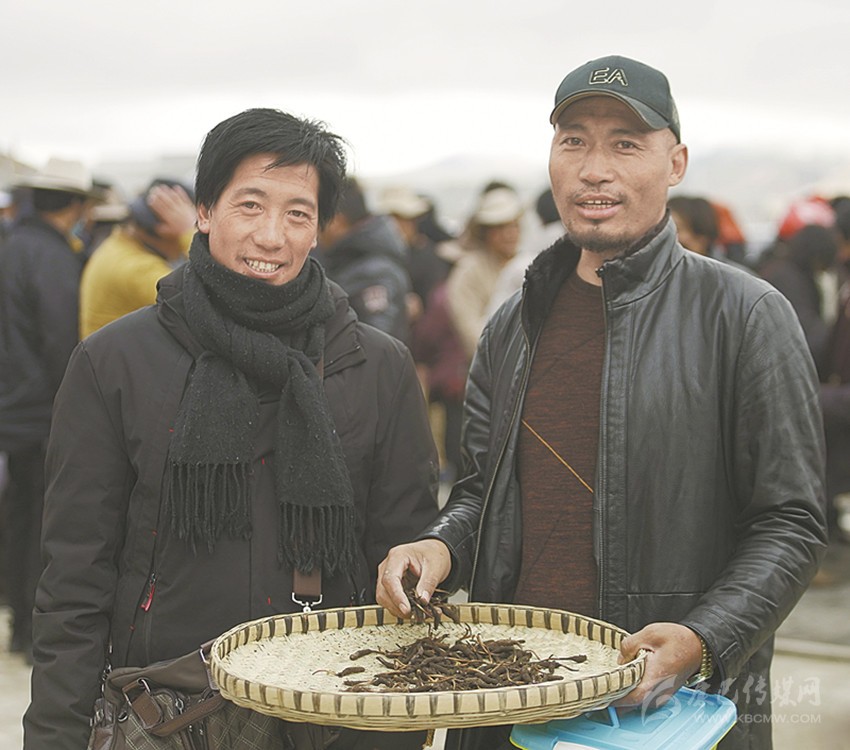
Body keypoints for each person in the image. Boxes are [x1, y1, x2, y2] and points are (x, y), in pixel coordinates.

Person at [376, 55, 828, 750]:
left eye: (625, 144)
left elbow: (791, 521)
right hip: (512, 699)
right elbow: (480, 494)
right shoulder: (512, 325)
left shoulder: (743, 314)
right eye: (574, 141)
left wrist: (703, 638)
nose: (595, 169)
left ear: (675, 163)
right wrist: (438, 546)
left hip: (664, 713)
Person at [24, 108, 440, 750]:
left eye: (297, 213)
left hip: (335, 715)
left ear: (319, 229)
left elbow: (405, 561)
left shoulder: (377, 366)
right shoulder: (115, 362)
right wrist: (55, 734)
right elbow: (75, 577)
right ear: (204, 211)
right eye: (250, 205)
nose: (271, 236)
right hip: (170, 712)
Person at [0, 157, 93, 662]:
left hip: (12, 407)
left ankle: (18, 623)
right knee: (44, 523)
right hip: (40, 410)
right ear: (75, 205)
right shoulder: (52, 256)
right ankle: (33, 629)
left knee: (19, 515)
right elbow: (61, 340)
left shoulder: (12, 244)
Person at [79, 177, 196, 337]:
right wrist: (189, 233)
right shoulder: (138, 269)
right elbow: (202, 310)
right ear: (165, 231)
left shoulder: (118, 244)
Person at [316, 176, 413, 343]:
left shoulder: (377, 273)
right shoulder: (346, 258)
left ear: (336, 221)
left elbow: (374, 342)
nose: (315, 230)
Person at [446, 186, 524, 358]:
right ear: (486, 231)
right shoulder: (469, 271)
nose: (509, 234)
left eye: (514, 226)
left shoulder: (527, 264)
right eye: (500, 227)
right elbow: (469, 329)